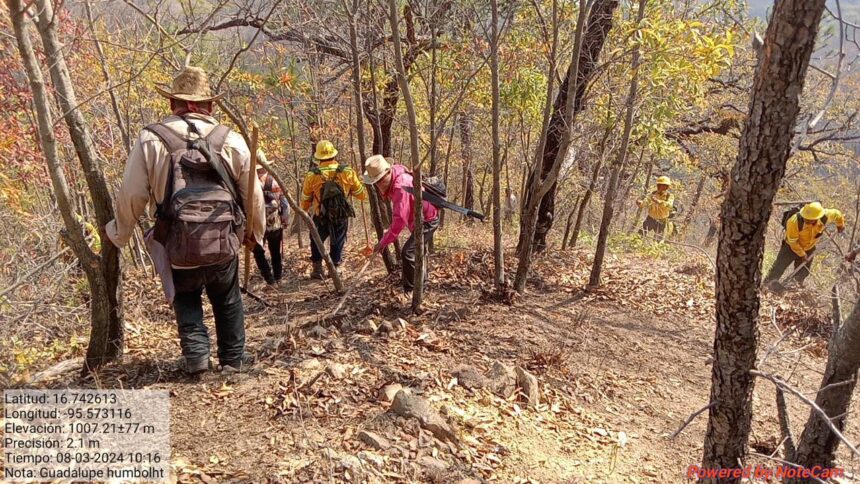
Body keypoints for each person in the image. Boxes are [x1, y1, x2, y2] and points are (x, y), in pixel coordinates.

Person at [106, 66, 264, 374]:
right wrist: (253, 233)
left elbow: (133, 194)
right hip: (223, 241)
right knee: (227, 299)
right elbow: (253, 196)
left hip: (177, 241)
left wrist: (119, 233)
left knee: (186, 297)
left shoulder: (151, 139)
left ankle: (197, 358)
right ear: (208, 105)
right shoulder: (231, 139)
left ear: (173, 103)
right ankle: (232, 361)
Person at [363, 155, 439, 297]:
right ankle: (421, 285)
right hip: (418, 220)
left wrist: (383, 242)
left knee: (408, 253)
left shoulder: (400, 186)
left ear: (388, 172)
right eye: (376, 182)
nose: (379, 185)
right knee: (418, 252)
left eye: (381, 180)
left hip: (427, 220)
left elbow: (399, 220)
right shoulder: (396, 176)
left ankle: (411, 290)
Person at [300, 140, 367, 279]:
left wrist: (304, 210)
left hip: (320, 215)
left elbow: (306, 198)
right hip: (340, 214)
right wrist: (349, 189)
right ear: (334, 155)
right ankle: (334, 268)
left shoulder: (312, 175)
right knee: (338, 240)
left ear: (318, 157)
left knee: (316, 239)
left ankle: (317, 269)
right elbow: (361, 194)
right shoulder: (347, 172)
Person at [764, 202, 845, 285]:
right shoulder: (793, 222)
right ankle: (768, 285)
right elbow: (793, 242)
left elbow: (837, 214)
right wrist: (802, 254)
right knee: (778, 268)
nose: (806, 220)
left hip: (809, 248)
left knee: (803, 272)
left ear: (817, 217)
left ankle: (792, 287)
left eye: (809, 219)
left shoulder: (825, 216)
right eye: (805, 218)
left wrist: (840, 224)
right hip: (790, 247)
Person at [253, 152, 291, 285]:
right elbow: (285, 203)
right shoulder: (275, 181)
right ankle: (278, 278)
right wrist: (285, 219)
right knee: (275, 252)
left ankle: (269, 279)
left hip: (257, 224)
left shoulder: (250, 183)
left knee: (258, 252)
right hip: (275, 223)